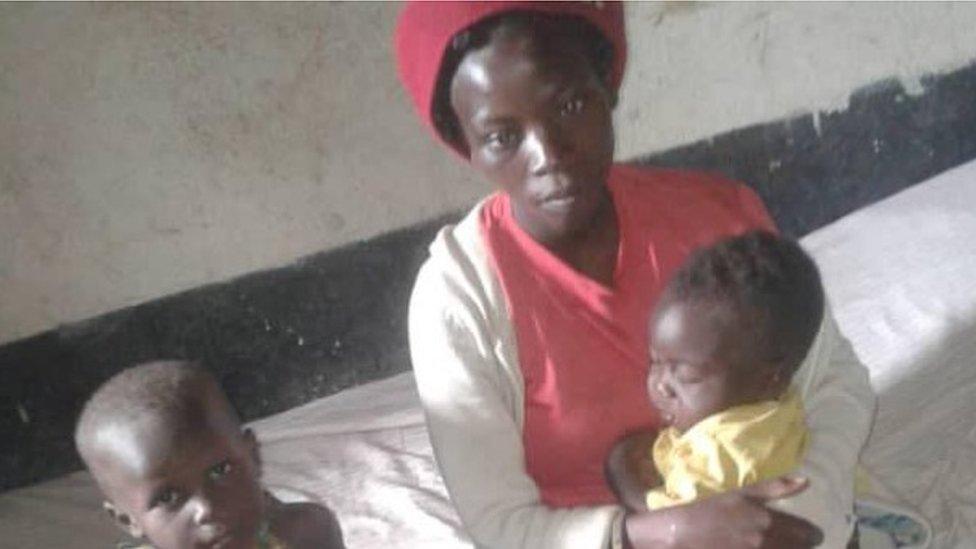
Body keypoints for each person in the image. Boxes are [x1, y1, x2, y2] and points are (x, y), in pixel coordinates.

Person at [396, 2, 875, 548]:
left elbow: (836, 383)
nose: (549, 154)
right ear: (467, 147)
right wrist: (659, 533)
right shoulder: (459, 296)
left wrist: (799, 507)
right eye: (502, 136)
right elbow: (501, 526)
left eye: (571, 104)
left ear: (607, 89)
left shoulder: (720, 221)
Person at [605, 231, 823, 513]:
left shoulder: (723, 456)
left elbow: (671, 526)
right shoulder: (770, 411)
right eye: (654, 362)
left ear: (768, 378)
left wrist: (622, 473)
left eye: (685, 376)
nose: (660, 385)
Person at [74, 360, 345, 549]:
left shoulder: (305, 534)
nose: (208, 508)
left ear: (253, 457)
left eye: (221, 470)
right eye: (167, 497)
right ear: (128, 520)